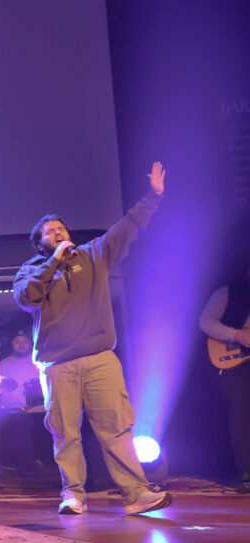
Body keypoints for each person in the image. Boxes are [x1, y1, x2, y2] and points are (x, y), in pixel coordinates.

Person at [13, 162, 171, 515]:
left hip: (100, 358)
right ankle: (73, 494)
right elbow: (26, 298)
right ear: (39, 243)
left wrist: (153, 196)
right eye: (50, 231)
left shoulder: (93, 255)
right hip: (56, 365)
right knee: (65, 434)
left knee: (116, 428)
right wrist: (54, 261)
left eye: (61, 228)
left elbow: (125, 229)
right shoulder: (31, 270)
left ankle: (136, 494)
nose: (58, 232)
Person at [198, 261, 250, 491]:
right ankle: (246, 472)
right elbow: (205, 322)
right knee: (242, 408)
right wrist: (236, 335)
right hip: (234, 361)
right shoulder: (228, 292)